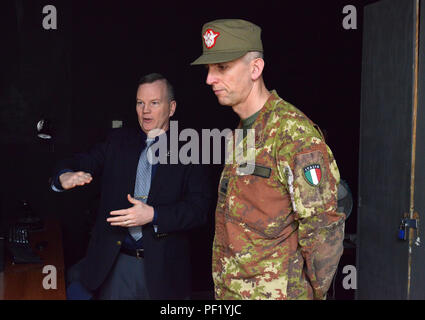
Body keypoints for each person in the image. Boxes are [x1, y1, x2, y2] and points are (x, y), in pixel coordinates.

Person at [191, 19, 345, 300]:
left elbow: (323, 232)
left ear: (255, 69)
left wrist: (308, 294)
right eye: (209, 69)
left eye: (222, 67)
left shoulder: (294, 135)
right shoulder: (242, 132)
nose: (209, 79)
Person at [51, 73, 212, 299]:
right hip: (117, 266)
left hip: (165, 274)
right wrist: (64, 175)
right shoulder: (117, 141)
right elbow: (81, 160)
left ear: (171, 108)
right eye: (140, 103)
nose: (145, 110)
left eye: (154, 103)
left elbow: (198, 210)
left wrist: (154, 215)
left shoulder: (190, 151)